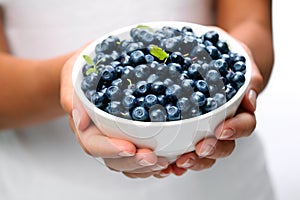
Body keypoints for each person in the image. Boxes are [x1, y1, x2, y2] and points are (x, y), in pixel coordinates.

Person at [0, 0, 275, 199]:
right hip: (48, 185)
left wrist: (243, 67)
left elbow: (251, 23)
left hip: (227, 185)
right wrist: (75, 81)